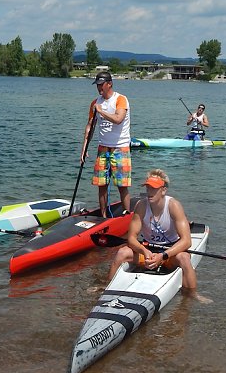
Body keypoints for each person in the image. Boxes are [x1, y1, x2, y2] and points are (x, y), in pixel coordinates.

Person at [108, 169, 209, 302]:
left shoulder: (174, 206)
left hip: (169, 253)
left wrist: (163, 256)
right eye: (148, 188)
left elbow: (186, 242)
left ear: (163, 190)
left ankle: (192, 295)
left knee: (184, 258)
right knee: (122, 253)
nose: (149, 192)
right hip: (147, 249)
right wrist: (144, 251)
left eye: (154, 189)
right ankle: (106, 287)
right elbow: (131, 238)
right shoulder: (141, 206)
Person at [80, 71, 131, 217]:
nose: (99, 88)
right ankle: (103, 216)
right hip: (103, 148)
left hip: (120, 148)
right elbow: (90, 126)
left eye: (101, 85)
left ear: (110, 84)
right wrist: (84, 149)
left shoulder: (120, 99)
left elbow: (118, 118)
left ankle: (127, 216)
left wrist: (101, 112)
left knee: (122, 186)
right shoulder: (95, 103)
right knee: (101, 185)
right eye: (97, 85)